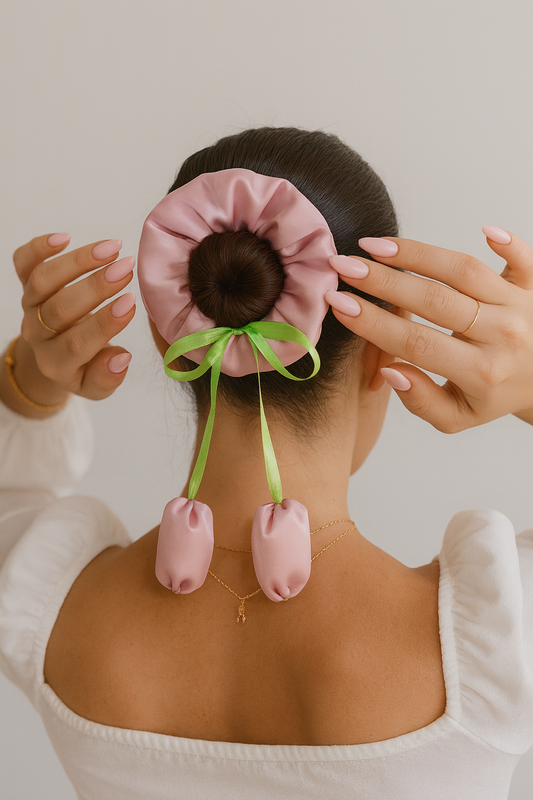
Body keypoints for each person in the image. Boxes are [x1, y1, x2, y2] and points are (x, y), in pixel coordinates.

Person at [0, 127, 532, 800]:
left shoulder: (50, 609)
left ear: (171, 331)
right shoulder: (497, 646)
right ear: (384, 350)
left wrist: (30, 380)